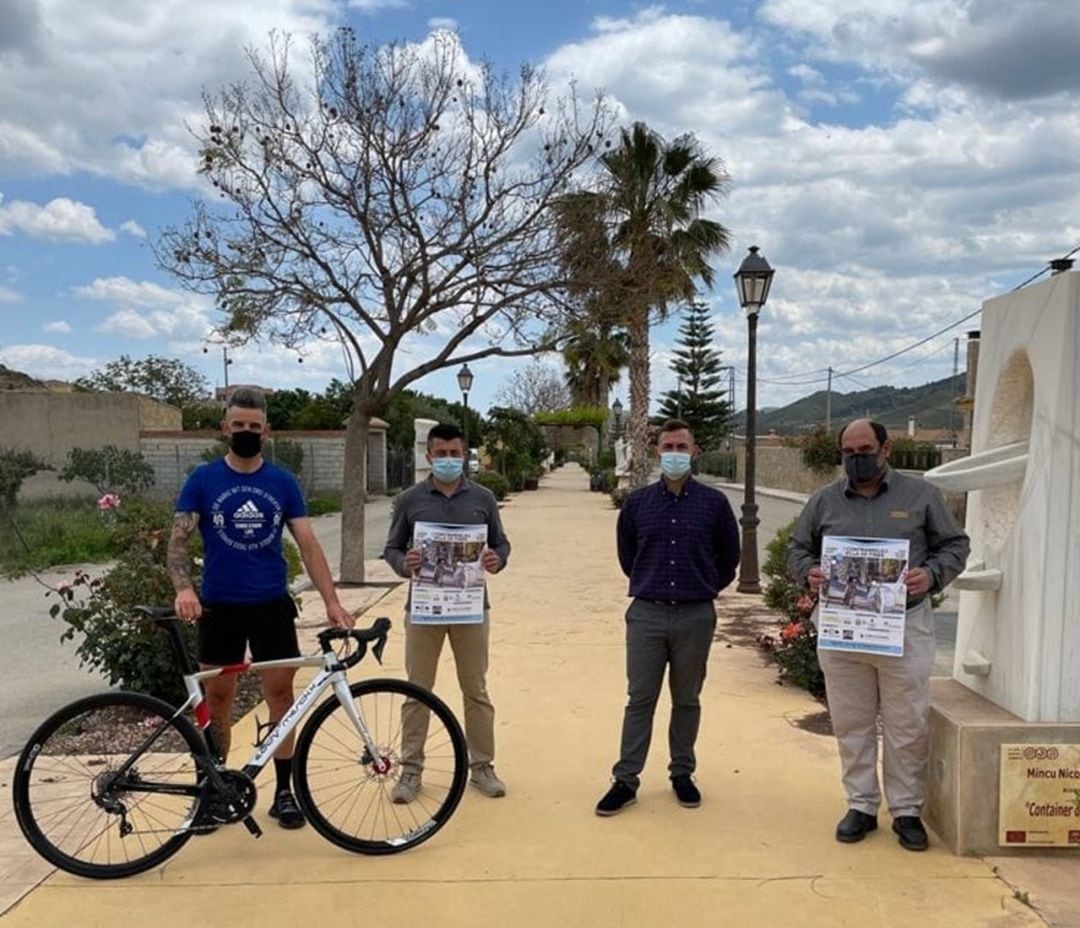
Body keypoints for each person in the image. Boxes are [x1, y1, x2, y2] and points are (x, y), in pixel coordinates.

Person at [168, 387, 354, 830]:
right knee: (217, 701)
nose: (246, 433)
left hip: (271, 606)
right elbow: (178, 541)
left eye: (254, 427)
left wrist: (332, 601)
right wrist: (184, 588)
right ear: (224, 428)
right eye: (239, 426)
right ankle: (213, 791)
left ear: (266, 431)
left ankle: (284, 792)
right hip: (220, 607)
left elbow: (307, 543)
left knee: (282, 698)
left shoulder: (282, 482)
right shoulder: (203, 479)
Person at [788, 419, 970, 851]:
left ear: (886, 449)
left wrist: (931, 574)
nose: (857, 458)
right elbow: (798, 548)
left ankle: (907, 810)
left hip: (904, 628)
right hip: (843, 630)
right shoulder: (824, 501)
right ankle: (862, 806)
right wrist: (806, 574)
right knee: (852, 722)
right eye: (848, 452)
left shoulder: (922, 496)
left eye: (865, 449)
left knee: (907, 724)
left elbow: (956, 545)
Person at [595, 419, 740, 816]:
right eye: (667, 446)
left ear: (694, 451)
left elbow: (729, 557)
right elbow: (628, 557)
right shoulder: (639, 503)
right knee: (640, 698)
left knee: (687, 699)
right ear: (658, 451)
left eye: (681, 446)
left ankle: (682, 773)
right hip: (647, 615)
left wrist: (704, 585)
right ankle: (626, 779)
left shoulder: (714, 503)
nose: (674, 453)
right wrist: (652, 582)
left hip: (696, 615)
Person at [383, 422, 511, 801]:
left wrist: (495, 559)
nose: (449, 460)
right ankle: (411, 771)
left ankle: (482, 766)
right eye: (442, 454)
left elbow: (502, 544)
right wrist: (402, 562)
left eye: (455, 454)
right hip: (423, 609)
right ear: (429, 456)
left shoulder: (483, 498)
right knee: (416, 690)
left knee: (476, 689)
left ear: (464, 455)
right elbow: (391, 548)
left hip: (471, 608)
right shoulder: (409, 500)